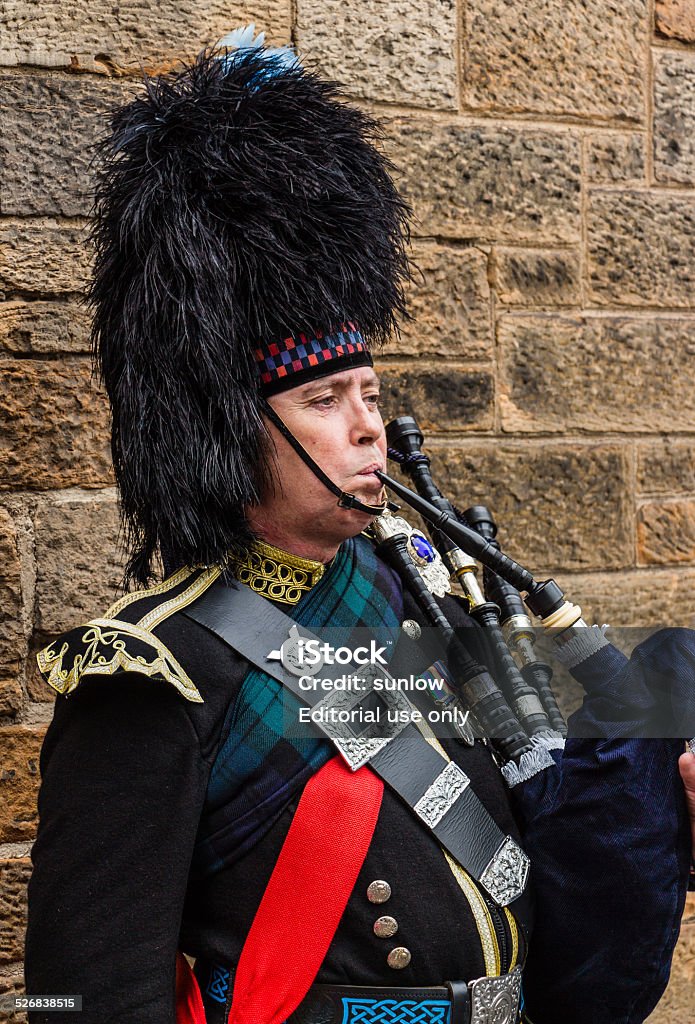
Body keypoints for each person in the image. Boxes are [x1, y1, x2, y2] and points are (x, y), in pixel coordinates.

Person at [24, 26, 694, 1024]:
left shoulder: (409, 585)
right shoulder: (153, 673)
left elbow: (578, 779)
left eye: (370, 393)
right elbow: (87, 996)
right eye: (325, 400)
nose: (367, 426)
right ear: (224, 431)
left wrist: (664, 780)